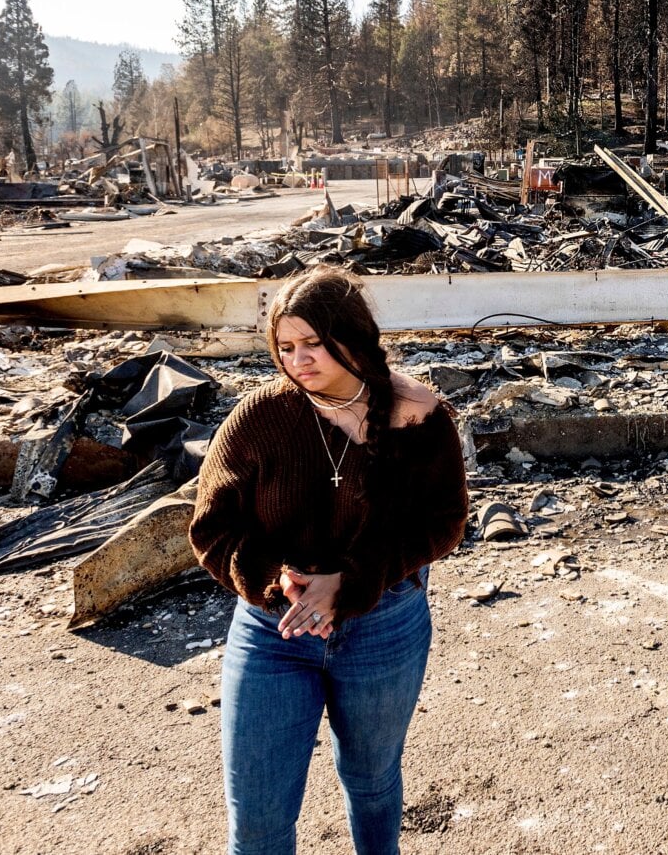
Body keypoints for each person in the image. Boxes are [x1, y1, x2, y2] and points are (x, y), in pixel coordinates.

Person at [189, 267, 469, 855]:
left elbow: (442, 523)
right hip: (273, 632)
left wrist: (354, 579)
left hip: (384, 624)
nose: (299, 360)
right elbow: (213, 526)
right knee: (258, 821)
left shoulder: (418, 415)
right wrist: (276, 579)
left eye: (313, 343)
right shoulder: (259, 419)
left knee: (371, 784)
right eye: (285, 347)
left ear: (353, 335)